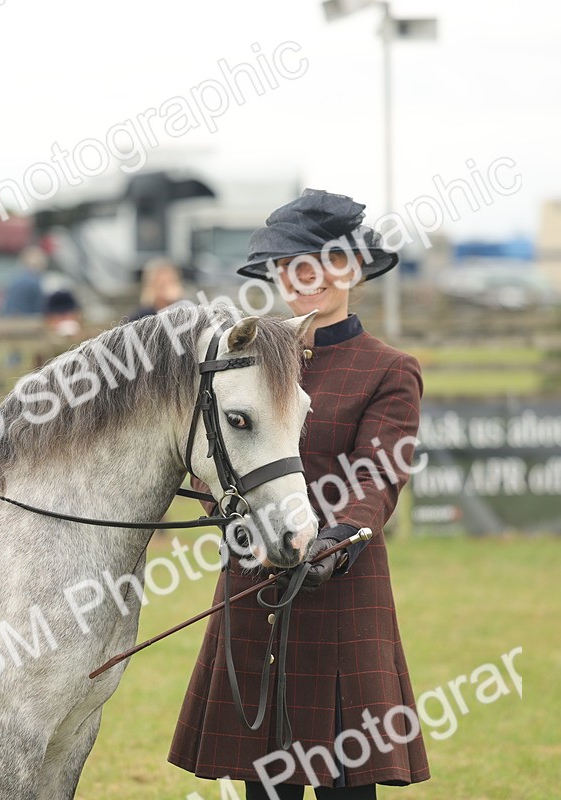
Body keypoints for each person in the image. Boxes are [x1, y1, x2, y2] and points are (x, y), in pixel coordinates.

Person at [169, 190, 430, 798]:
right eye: (292, 265)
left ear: (353, 270)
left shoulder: (388, 369)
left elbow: (379, 475)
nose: (305, 278)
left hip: (339, 590)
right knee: (264, 787)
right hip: (255, 582)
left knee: (344, 787)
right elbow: (214, 461)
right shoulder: (246, 360)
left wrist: (334, 542)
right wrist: (232, 522)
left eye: (324, 263)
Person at [0, 245, 49, 317]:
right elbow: (40, 310)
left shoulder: (14, 280)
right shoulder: (34, 282)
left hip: (9, 322)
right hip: (27, 324)